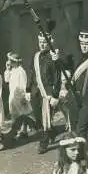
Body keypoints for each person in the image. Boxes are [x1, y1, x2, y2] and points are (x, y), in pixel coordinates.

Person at [27, 22, 61, 154]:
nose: (42, 44)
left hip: (47, 93)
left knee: (45, 118)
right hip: (36, 92)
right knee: (37, 117)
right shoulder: (35, 56)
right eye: (40, 42)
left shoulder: (53, 58)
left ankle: (44, 142)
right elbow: (31, 74)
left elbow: (57, 78)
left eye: (44, 42)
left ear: (49, 43)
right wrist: (28, 89)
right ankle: (52, 132)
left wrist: (55, 95)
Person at [4, 52, 34, 140]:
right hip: (13, 96)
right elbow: (6, 80)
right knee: (14, 114)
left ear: (16, 62)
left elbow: (24, 85)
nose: (10, 63)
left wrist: (24, 97)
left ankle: (24, 130)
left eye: (12, 61)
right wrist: (7, 69)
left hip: (20, 96)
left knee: (23, 114)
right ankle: (14, 131)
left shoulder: (21, 71)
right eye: (10, 61)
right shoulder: (12, 70)